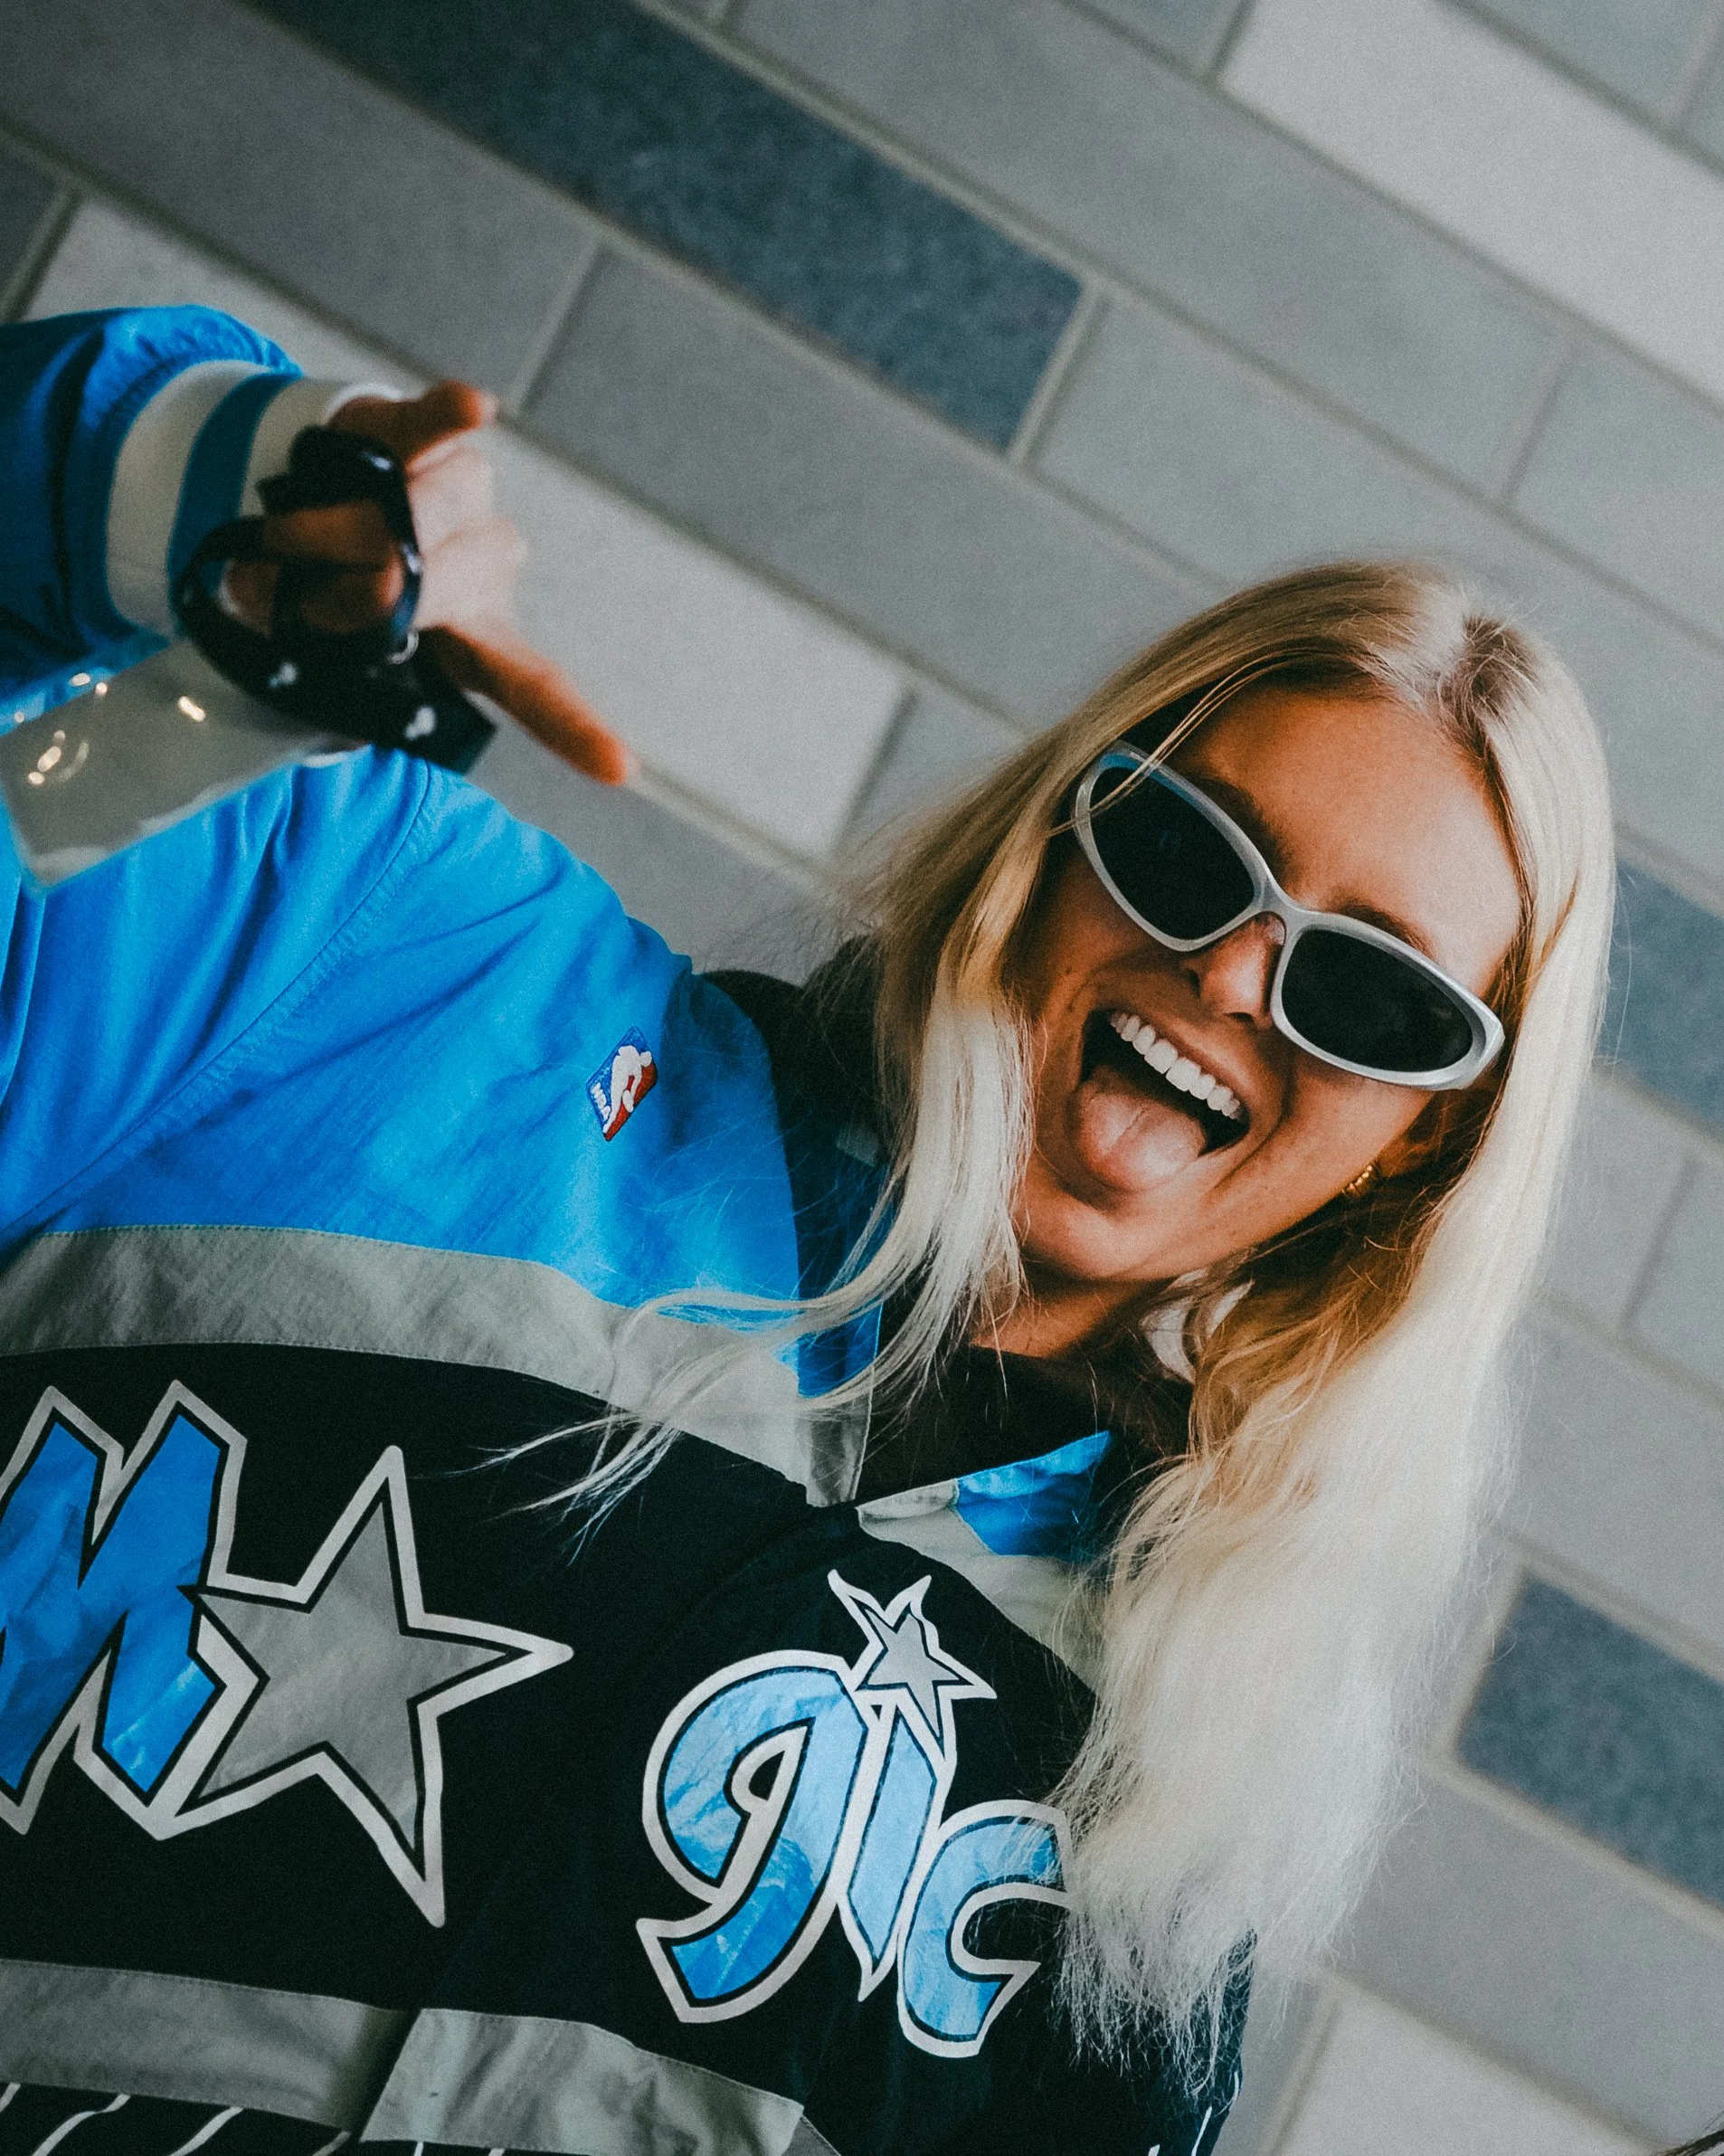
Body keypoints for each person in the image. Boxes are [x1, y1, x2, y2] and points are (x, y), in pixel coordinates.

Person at [0, 304, 1615, 2156]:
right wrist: (195, 513)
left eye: (1374, 996)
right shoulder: (389, 957)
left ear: (1425, 1148)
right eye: (1186, 855)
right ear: (1051, 831)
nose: (1232, 971)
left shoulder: (1173, 1782)